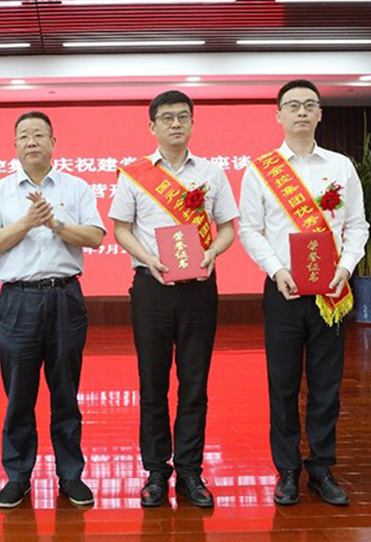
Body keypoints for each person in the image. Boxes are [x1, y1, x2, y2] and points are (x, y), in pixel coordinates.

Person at [238, 79, 368, 507]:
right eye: (292, 106)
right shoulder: (261, 170)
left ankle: (322, 467)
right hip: (284, 291)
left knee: (327, 384)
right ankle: (288, 470)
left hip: (331, 291)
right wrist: (276, 270)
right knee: (283, 384)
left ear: (320, 114)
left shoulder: (341, 166)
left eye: (309, 105)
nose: (301, 112)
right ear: (278, 115)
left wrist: (345, 267)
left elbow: (357, 225)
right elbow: (250, 229)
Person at [110, 90, 239, 509]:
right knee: (152, 382)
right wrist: (147, 259)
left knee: (195, 382)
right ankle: (155, 470)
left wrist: (213, 251)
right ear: (152, 126)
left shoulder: (212, 172)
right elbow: (121, 228)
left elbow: (227, 227)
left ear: (192, 123)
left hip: (199, 287)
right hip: (151, 288)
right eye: (167, 118)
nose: (176, 124)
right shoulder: (134, 174)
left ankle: (189, 469)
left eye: (183, 116)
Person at [0, 111, 105, 509]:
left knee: (65, 392)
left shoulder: (77, 187)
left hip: (65, 297)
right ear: (14, 146)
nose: (31, 142)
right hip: (18, 299)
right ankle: (18, 476)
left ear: (53, 142)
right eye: (24, 136)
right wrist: (28, 221)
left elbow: (95, 237)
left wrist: (56, 225)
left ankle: (71, 475)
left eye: (38, 135)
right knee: (19, 395)